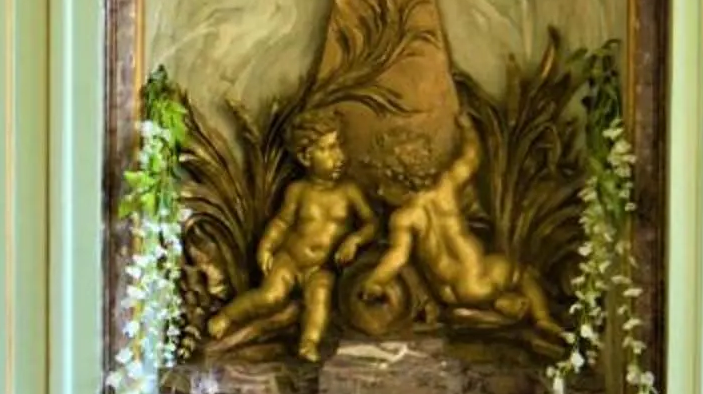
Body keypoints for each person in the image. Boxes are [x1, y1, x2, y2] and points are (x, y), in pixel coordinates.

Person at [360, 122, 562, 345]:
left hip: (446, 295)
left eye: (382, 184)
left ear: (396, 179)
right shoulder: (446, 186)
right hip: (476, 281)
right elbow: (471, 157)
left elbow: (397, 257)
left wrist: (375, 281)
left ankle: (495, 304)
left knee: (476, 287)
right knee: (521, 274)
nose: (379, 191)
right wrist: (468, 130)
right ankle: (541, 318)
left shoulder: (404, 217)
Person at [206, 112, 377, 364]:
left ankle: (308, 342)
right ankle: (228, 316)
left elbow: (372, 223)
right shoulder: (298, 191)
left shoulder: (349, 191)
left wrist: (355, 240)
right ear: (306, 157)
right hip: (290, 259)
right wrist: (266, 247)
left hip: (322, 267)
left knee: (319, 299)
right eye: (327, 149)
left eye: (337, 145)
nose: (337, 155)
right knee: (270, 296)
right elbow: (282, 223)